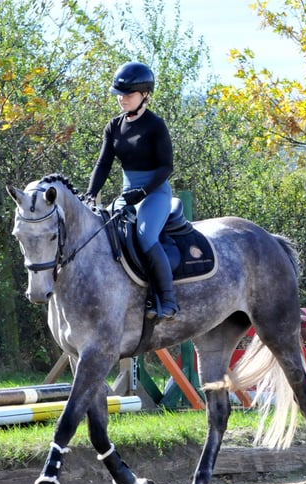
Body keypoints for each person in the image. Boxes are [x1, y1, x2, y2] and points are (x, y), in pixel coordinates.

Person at [86, 61, 179, 321]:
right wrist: (91, 193)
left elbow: (166, 167)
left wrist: (142, 192)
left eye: (128, 95)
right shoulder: (113, 126)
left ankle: (168, 299)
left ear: (145, 95)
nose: (122, 99)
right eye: (119, 95)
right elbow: (103, 164)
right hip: (127, 194)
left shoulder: (155, 125)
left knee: (146, 237)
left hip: (155, 192)